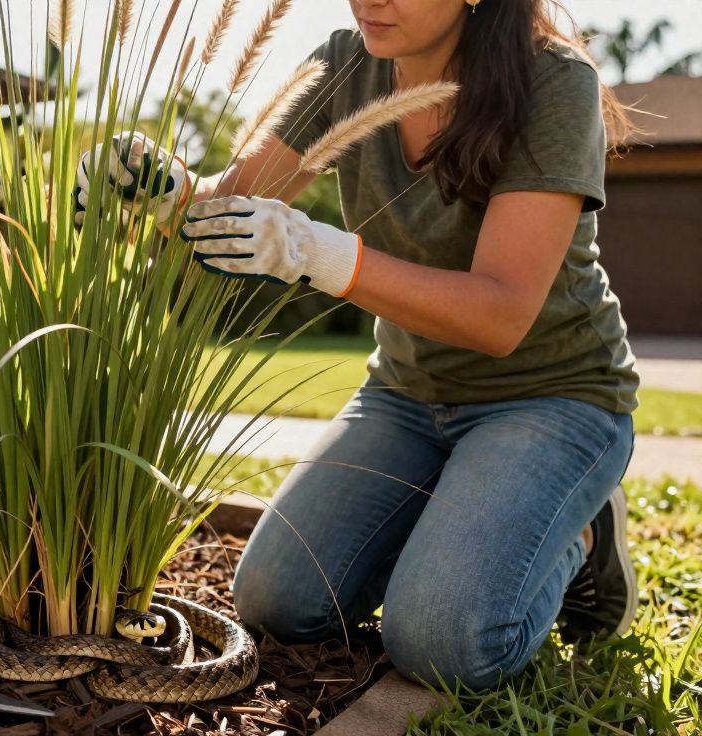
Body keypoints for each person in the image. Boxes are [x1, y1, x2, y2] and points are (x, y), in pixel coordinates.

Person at [75, 0, 639, 690]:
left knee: (441, 643)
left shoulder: (553, 82)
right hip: (406, 395)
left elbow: (500, 315)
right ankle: (470, 506)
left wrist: (322, 254)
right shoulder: (346, 63)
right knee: (276, 603)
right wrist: (164, 189)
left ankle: (582, 537)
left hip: (552, 398)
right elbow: (232, 205)